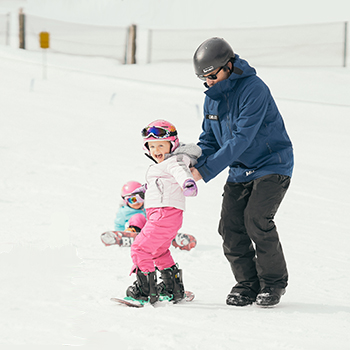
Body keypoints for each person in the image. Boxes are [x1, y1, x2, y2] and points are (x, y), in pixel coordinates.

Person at [191, 37, 294, 307]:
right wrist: (193, 164)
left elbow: (241, 138)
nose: (209, 81)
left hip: (271, 163)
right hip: (239, 169)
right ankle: (247, 284)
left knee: (256, 219)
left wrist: (206, 171)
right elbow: (209, 140)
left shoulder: (254, 89)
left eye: (213, 75)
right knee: (230, 226)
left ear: (229, 65)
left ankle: (272, 283)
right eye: (204, 78)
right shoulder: (212, 99)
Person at [125, 119, 201, 305]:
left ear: (172, 144)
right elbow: (156, 186)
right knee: (159, 251)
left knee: (140, 248)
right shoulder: (160, 167)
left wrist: (187, 183)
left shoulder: (174, 161)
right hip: (168, 217)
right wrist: (141, 194)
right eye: (152, 146)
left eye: (161, 145)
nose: (157, 150)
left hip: (162, 214)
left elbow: (181, 172)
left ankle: (144, 291)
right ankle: (172, 288)